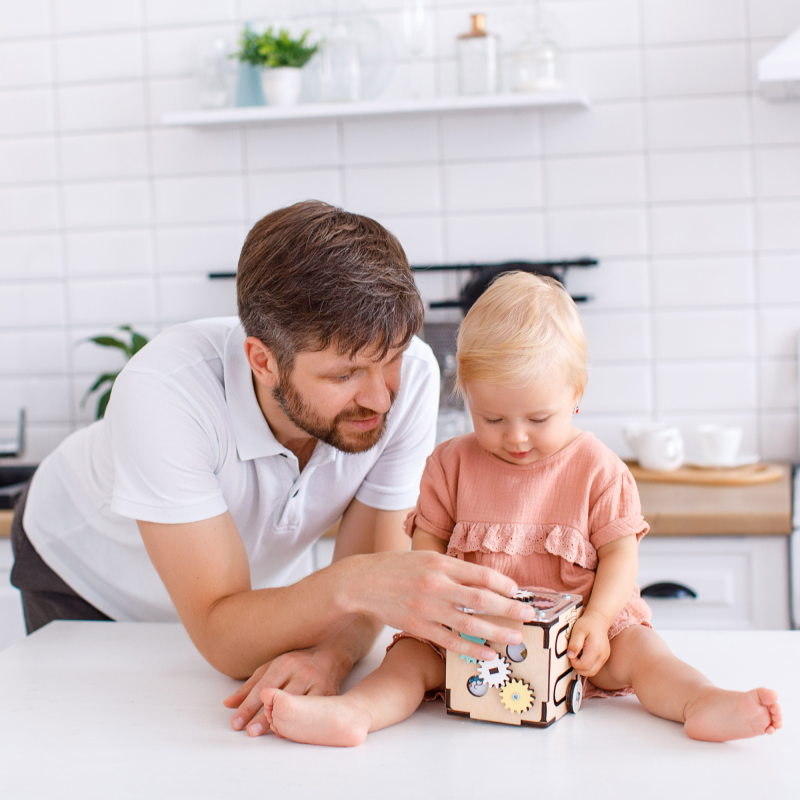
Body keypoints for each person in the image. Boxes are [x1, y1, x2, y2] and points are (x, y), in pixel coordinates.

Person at [11, 202, 537, 737]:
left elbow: (371, 582)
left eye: (392, 358)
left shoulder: (415, 379)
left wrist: (332, 652)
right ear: (262, 361)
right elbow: (224, 632)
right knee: (94, 745)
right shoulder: (164, 392)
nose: (380, 397)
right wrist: (355, 583)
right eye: (344, 374)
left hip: (237, 599)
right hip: (85, 576)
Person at [257, 271, 783, 746]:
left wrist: (598, 620)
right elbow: (428, 550)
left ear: (576, 395)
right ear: (465, 396)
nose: (515, 437)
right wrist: (442, 616)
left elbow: (622, 557)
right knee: (408, 664)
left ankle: (702, 702)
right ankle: (355, 713)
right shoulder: (450, 464)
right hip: (472, 637)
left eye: (538, 417)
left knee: (647, 657)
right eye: (491, 418)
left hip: (585, 635)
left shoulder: (599, 468)